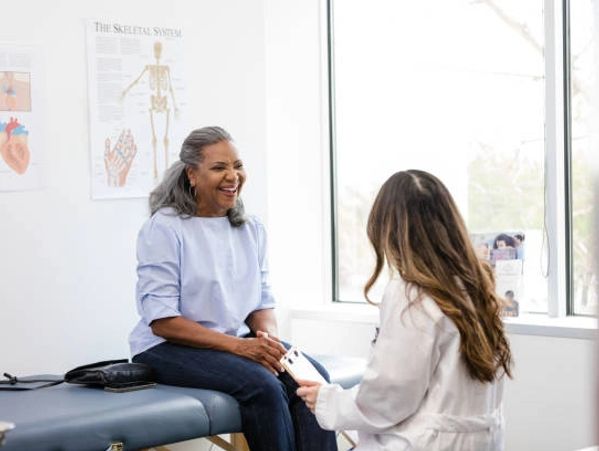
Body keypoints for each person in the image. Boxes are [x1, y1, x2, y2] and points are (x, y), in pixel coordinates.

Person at [129, 126, 336, 451]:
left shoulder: (250, 228)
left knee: (310, 376)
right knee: (263, 387)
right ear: (192, 175)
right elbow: (162, 320)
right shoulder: (165, 228)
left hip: (230, 342)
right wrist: (239, 348)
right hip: (166, 348)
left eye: (237, 166)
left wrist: (266, 340)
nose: (232, 176)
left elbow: (261, 300)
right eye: (219, 167)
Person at [297, 170, 513, 450]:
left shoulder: (413, 295)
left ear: (390, 229)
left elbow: (389, 397)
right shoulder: (477, 287)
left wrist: (327, 401)